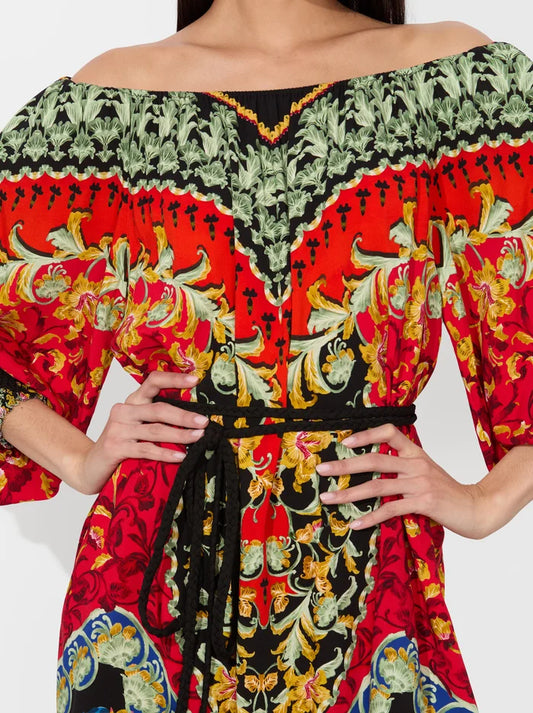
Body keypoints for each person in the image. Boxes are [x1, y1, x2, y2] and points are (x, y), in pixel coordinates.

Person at [1, 1, 532, 711]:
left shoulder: (456, 84)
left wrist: (486, 502)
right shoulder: (105, 106)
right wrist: (77, 457)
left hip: (371, 580)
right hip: (154, 586)